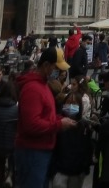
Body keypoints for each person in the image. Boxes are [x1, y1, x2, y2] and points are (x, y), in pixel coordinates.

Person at [14, 46, 76, 188]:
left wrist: (60, 119)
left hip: (41, 151)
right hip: (32, 152)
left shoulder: (43, 85)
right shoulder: (33, 89)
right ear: (46, 65)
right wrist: (59, 125)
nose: (60, 72)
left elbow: (44, 116)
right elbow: (32, 125)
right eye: (57, 68)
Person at [50, 83, 94, 188]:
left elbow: (88, 148)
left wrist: (84, 168)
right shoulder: (58, 123)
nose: (70, 106)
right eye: (68, 103)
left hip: (77, 172)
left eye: (74, 104)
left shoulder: (84, 126)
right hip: (60, 171)